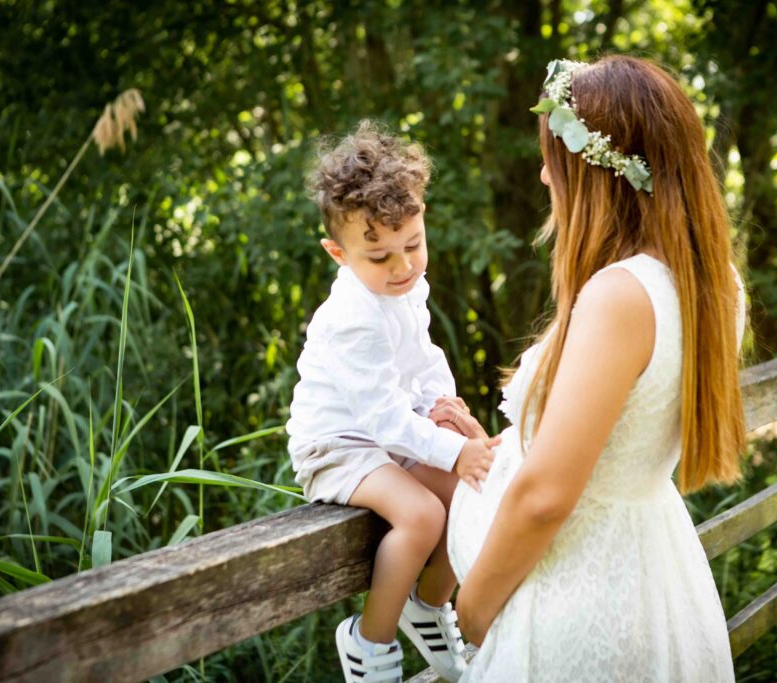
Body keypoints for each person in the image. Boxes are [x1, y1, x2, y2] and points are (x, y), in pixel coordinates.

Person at [435, 55, 749, 681]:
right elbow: (613, 443)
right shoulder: (714, 286)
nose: (545, 177)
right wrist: (503, 451)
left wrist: (470, 610)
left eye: (555, 158)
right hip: (656, 579)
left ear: (594, 171)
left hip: (581, 603)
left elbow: (548, 497)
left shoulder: (620, 295)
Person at [285, 121, 500, 683]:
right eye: (379, 257)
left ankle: (426, 607)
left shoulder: (406, 287)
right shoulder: (354, 317)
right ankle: (370, 643)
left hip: (389, 434)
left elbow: (423, 358)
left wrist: (448, 411)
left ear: (423, 219)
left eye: (413, 245)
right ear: (338, 252)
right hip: (340, 447)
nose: (402, 266)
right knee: (423, 513)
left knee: (467, 493)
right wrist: (449, 450)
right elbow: (379, 419)